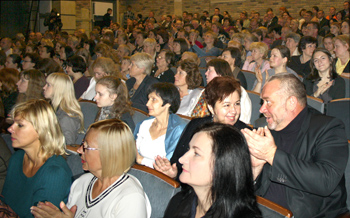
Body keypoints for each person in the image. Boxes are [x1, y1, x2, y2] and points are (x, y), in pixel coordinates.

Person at [242, 73, 348, 217]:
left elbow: (325, 181)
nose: (261, 110)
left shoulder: (327, 128)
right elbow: (248, 188)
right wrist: (255, 169)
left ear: (291, 102)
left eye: (268, 102)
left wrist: (271, 155)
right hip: (262, 209)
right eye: (262, 102)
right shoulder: (265, 128)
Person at [31, 119, 151, 218]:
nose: (79, 150)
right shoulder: (81, 183)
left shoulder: (130, 199)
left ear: (109, 154)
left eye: (86, 147)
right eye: (82, 144)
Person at [154, 76, 251, 181]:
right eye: (226, 105)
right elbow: (178, 160)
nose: (234, 111)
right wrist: (174, 173)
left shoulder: (245, 134)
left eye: (237, 104)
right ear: (211, 107)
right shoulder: (196, 126)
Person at [164, 122, 262, 218]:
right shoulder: (178, 202)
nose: (181, 159)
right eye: (188, 149)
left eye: (196, 153)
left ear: (222, 166)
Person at [1, 99, 72, 218]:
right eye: (13, 123)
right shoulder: (17, 158)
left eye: (20, 125)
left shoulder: (54, 173)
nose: (10, 129)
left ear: (40, 130)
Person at [134, 82, 186, 168]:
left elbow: (168, 165)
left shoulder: (178, 129)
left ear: (168, 103)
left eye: (153, 99)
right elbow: (133, 151)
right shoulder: (144, 124)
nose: (147, 104)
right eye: (148, 99)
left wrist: (140, 160)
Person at [43, 73, 84, 145]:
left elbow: (67, 145)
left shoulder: (67, 116)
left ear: (58, 89)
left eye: (48, 85)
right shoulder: (50, 108)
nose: (44, 87)